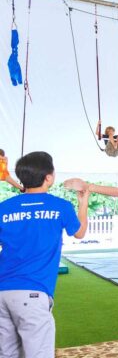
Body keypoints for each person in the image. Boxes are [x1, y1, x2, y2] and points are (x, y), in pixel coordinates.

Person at [0, 151, 90, 357]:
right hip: (33, 294)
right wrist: (83, 201)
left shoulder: (3, 208)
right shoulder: (61, 206)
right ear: (49, 177)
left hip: (1, 293)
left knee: (7, 354)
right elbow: (80, 232)